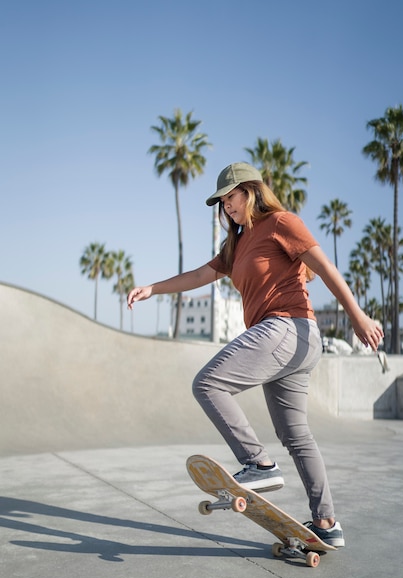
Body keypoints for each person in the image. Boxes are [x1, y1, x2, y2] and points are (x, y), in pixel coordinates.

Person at [127, 162, 383, 547]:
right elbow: (198, 276)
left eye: (232, 197)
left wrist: (357, 316)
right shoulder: (236, 244)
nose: (228, 206)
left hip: (286, 327)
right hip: (291, 343)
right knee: (296, 435)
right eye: (222, 202)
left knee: (208, 383)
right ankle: (327, 521)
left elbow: (326, 268)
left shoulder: (281, 223)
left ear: (251, 192)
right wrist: (152, 288)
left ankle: (258, 463)